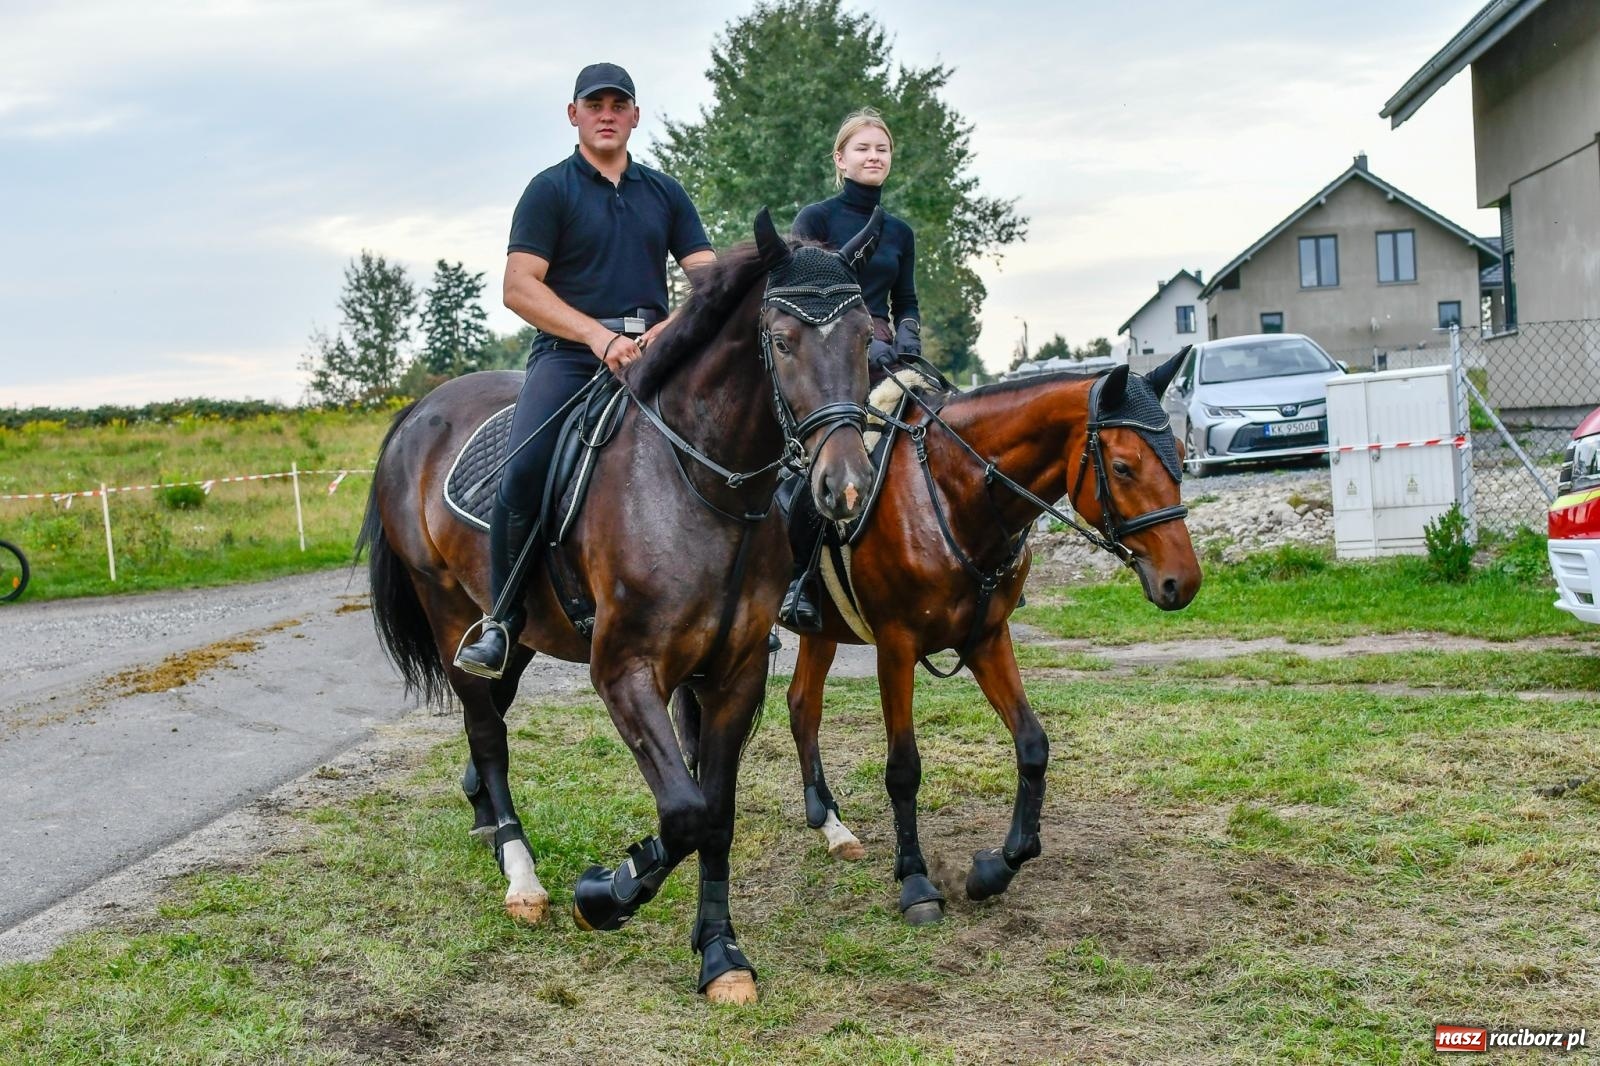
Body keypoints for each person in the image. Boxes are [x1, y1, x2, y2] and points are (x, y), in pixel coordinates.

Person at [454, 63, 715, 679]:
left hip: (657, 356)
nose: (606, 113)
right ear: (573, 114)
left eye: (618, 104)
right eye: (593, 103)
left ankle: (740, 603)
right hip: (570, 356)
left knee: (734, 446)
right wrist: (597, 337)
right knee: (523, 470)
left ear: (634, 116)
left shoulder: (665, 192)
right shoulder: (550, 190)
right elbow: (519, 288)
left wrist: (667, 331)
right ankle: (501, 619)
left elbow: (709, 278)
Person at [780, 108, 921, 633]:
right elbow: (807, 294)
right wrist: (861, 350)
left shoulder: (901, 232)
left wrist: (907, 334)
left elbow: (905, 299)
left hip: (888, 351)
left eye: (881, 148)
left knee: (946, 427)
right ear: (840, 159)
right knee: (811, 460)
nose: (873, 156)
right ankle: (799, 581)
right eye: (862, 148)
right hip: (830, 357)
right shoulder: (815, 220)